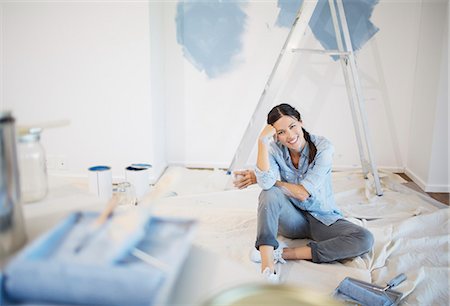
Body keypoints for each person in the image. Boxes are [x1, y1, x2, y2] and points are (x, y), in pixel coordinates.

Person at [233, 103, 374, 283]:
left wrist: (262, 178)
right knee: (268, 194)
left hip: (323, 218)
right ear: (275, 135)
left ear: (300, 122)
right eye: (281, 132)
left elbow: (303, 193)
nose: (290, 136)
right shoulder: (275, 149)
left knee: (364, 239)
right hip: (292, 219)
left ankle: (282, 253)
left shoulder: (323, 147)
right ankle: (267, 267)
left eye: (292, 126)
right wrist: (261, 141)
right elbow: (266, 185)